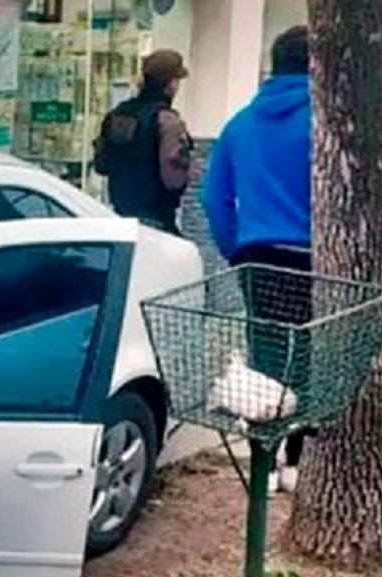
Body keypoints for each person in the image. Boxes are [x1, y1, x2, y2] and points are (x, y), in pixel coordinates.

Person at [202, 24, 313, 493]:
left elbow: (212, 197)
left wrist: (235, 249)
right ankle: (294, 463)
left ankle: (263, 464)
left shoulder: (240, 123)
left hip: (257, 256)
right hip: (311, 257)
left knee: (264, 356)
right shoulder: (325, 121)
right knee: (306, 357)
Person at [93, 49, 193, 235]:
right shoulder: (167, 122)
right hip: (156, 223)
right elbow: (173, 179)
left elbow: (101, 165)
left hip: (119, 220)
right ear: (171, 84)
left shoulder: (117, 115)